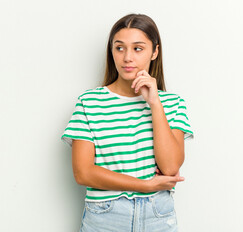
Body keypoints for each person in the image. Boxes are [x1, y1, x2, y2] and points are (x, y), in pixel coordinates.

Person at [61, 13, 194, 232]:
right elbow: (83, 173)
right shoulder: (90, 102)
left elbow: (170, 167)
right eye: (119, 48)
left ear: (155, 52)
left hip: (158, 215)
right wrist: (144, 185)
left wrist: (154, 103)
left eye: (138, 48)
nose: (127, 57)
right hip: (106, 216)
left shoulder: (172, 103)